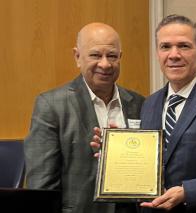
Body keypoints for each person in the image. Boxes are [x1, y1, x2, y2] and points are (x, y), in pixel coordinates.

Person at [91, 14, 196, 212]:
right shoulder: (150, 104)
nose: (173, 54)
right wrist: (116, 153)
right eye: (165, 47)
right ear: (157, 53)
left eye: (183, 46)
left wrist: (188, 192)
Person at [24, 22, 145, 213]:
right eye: (95, 55)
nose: (105, 64)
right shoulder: (51, 105)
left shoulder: (140, 104)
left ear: (120, 58)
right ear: (77, 57)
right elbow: (41, 187)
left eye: (112, 56)